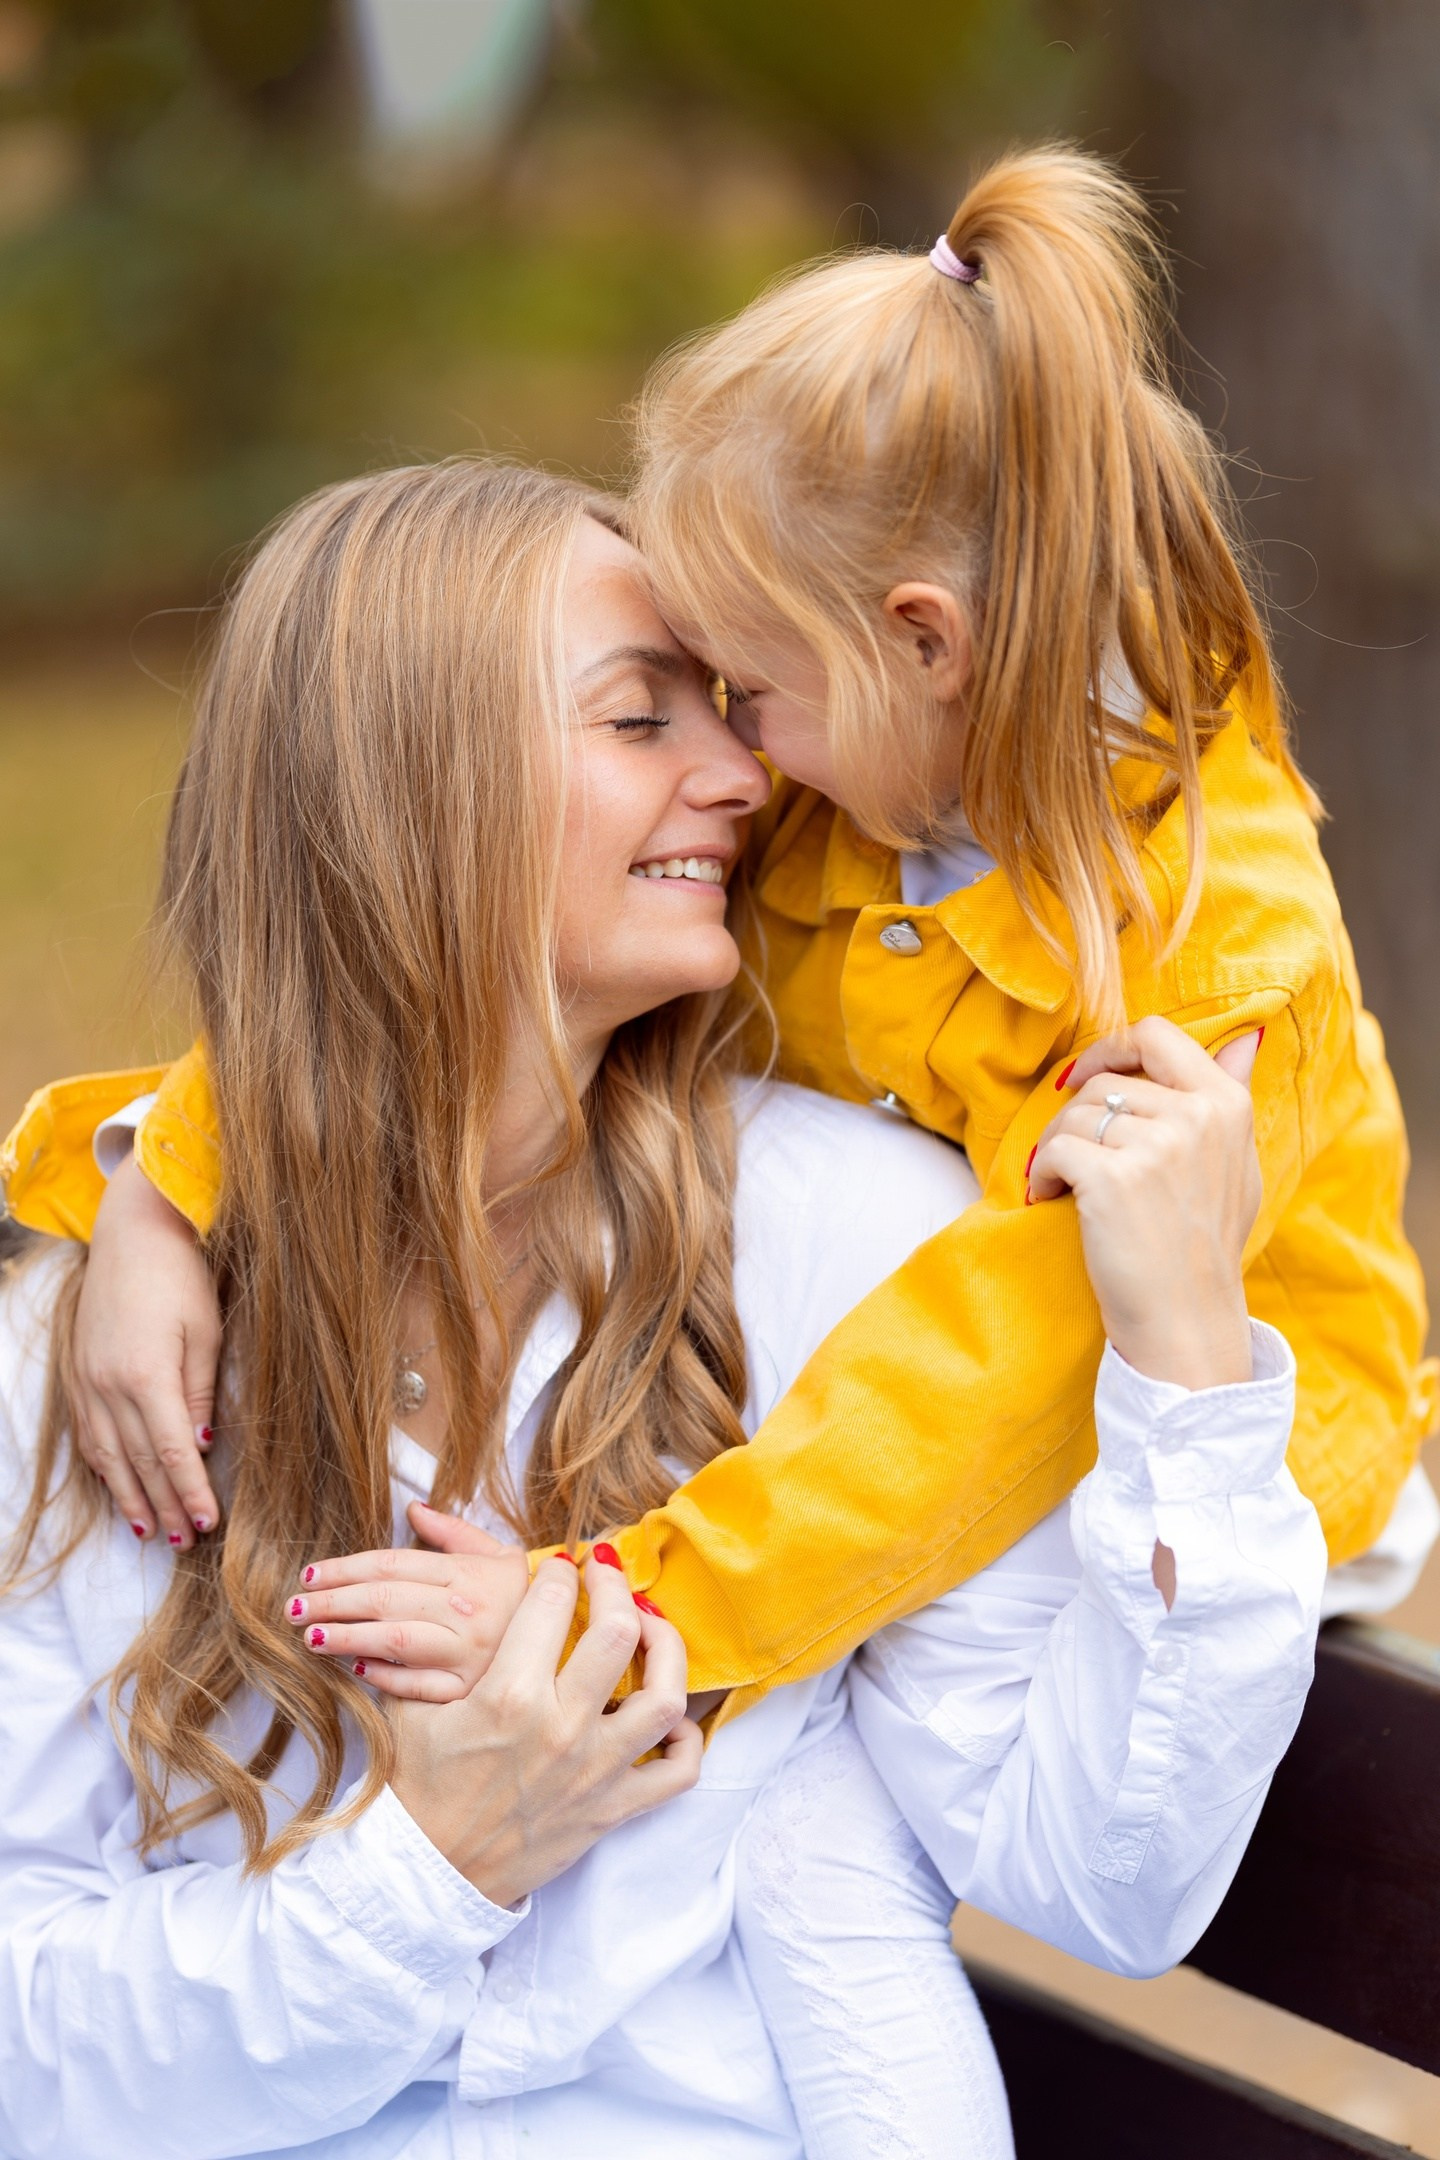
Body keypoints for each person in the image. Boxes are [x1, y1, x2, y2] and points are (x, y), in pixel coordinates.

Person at [0, 461, 1373, 2160]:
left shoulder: (852, 1252)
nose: (744, 776)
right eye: (639, 720)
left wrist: (1183, 1361)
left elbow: (1103, 1882)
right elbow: (28, 2036)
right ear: (409, 796)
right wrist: (435, 1870)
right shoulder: (100, 1349)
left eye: (729, 709)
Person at [5, 149, 1430, 1734]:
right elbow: (418, 954)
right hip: (836, 1455)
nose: (738, 765)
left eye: (747, 692)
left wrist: (623, 1607)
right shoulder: (882, 766)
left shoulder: (1214, 975)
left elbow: (979, 1385)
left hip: (1178, 1484)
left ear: (919, 642)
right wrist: (166, 1183)